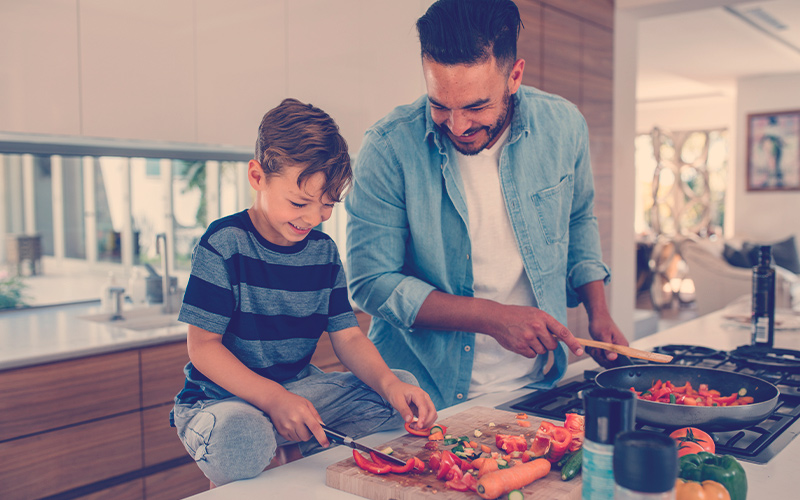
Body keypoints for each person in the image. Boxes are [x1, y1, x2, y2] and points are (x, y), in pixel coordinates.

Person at [345, 0, 628, 410]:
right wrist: (492, 317)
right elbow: (372, 282)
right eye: (439, 104)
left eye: (476, 106)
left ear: (514, 75)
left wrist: (597, 309)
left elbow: (579, 218)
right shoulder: (388, 147)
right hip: (420, 395)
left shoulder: (564, 126)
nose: (457, 126)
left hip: (538, 387)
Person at [170, 98, 437, 486]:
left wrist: (389, 384)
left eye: (327, 205)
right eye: (299, 202)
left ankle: (281, 445)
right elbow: (203, 347)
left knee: (397, 391)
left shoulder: (323, 252)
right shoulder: (223, 243)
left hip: (296, 390)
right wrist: (274, 400)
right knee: (241, 435)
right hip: (220, 401)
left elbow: (347, 336)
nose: (313, 218)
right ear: (258, 177)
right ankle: (274, 444)